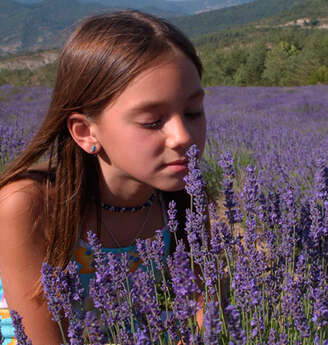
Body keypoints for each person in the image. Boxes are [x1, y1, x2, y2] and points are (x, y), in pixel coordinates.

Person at [0, 10, 206, 345]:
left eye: (193, 112)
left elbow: (206, 322)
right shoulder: (27, 206)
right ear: (85, 131)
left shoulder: (186, 199)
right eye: (153, 121)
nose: (182, 136)